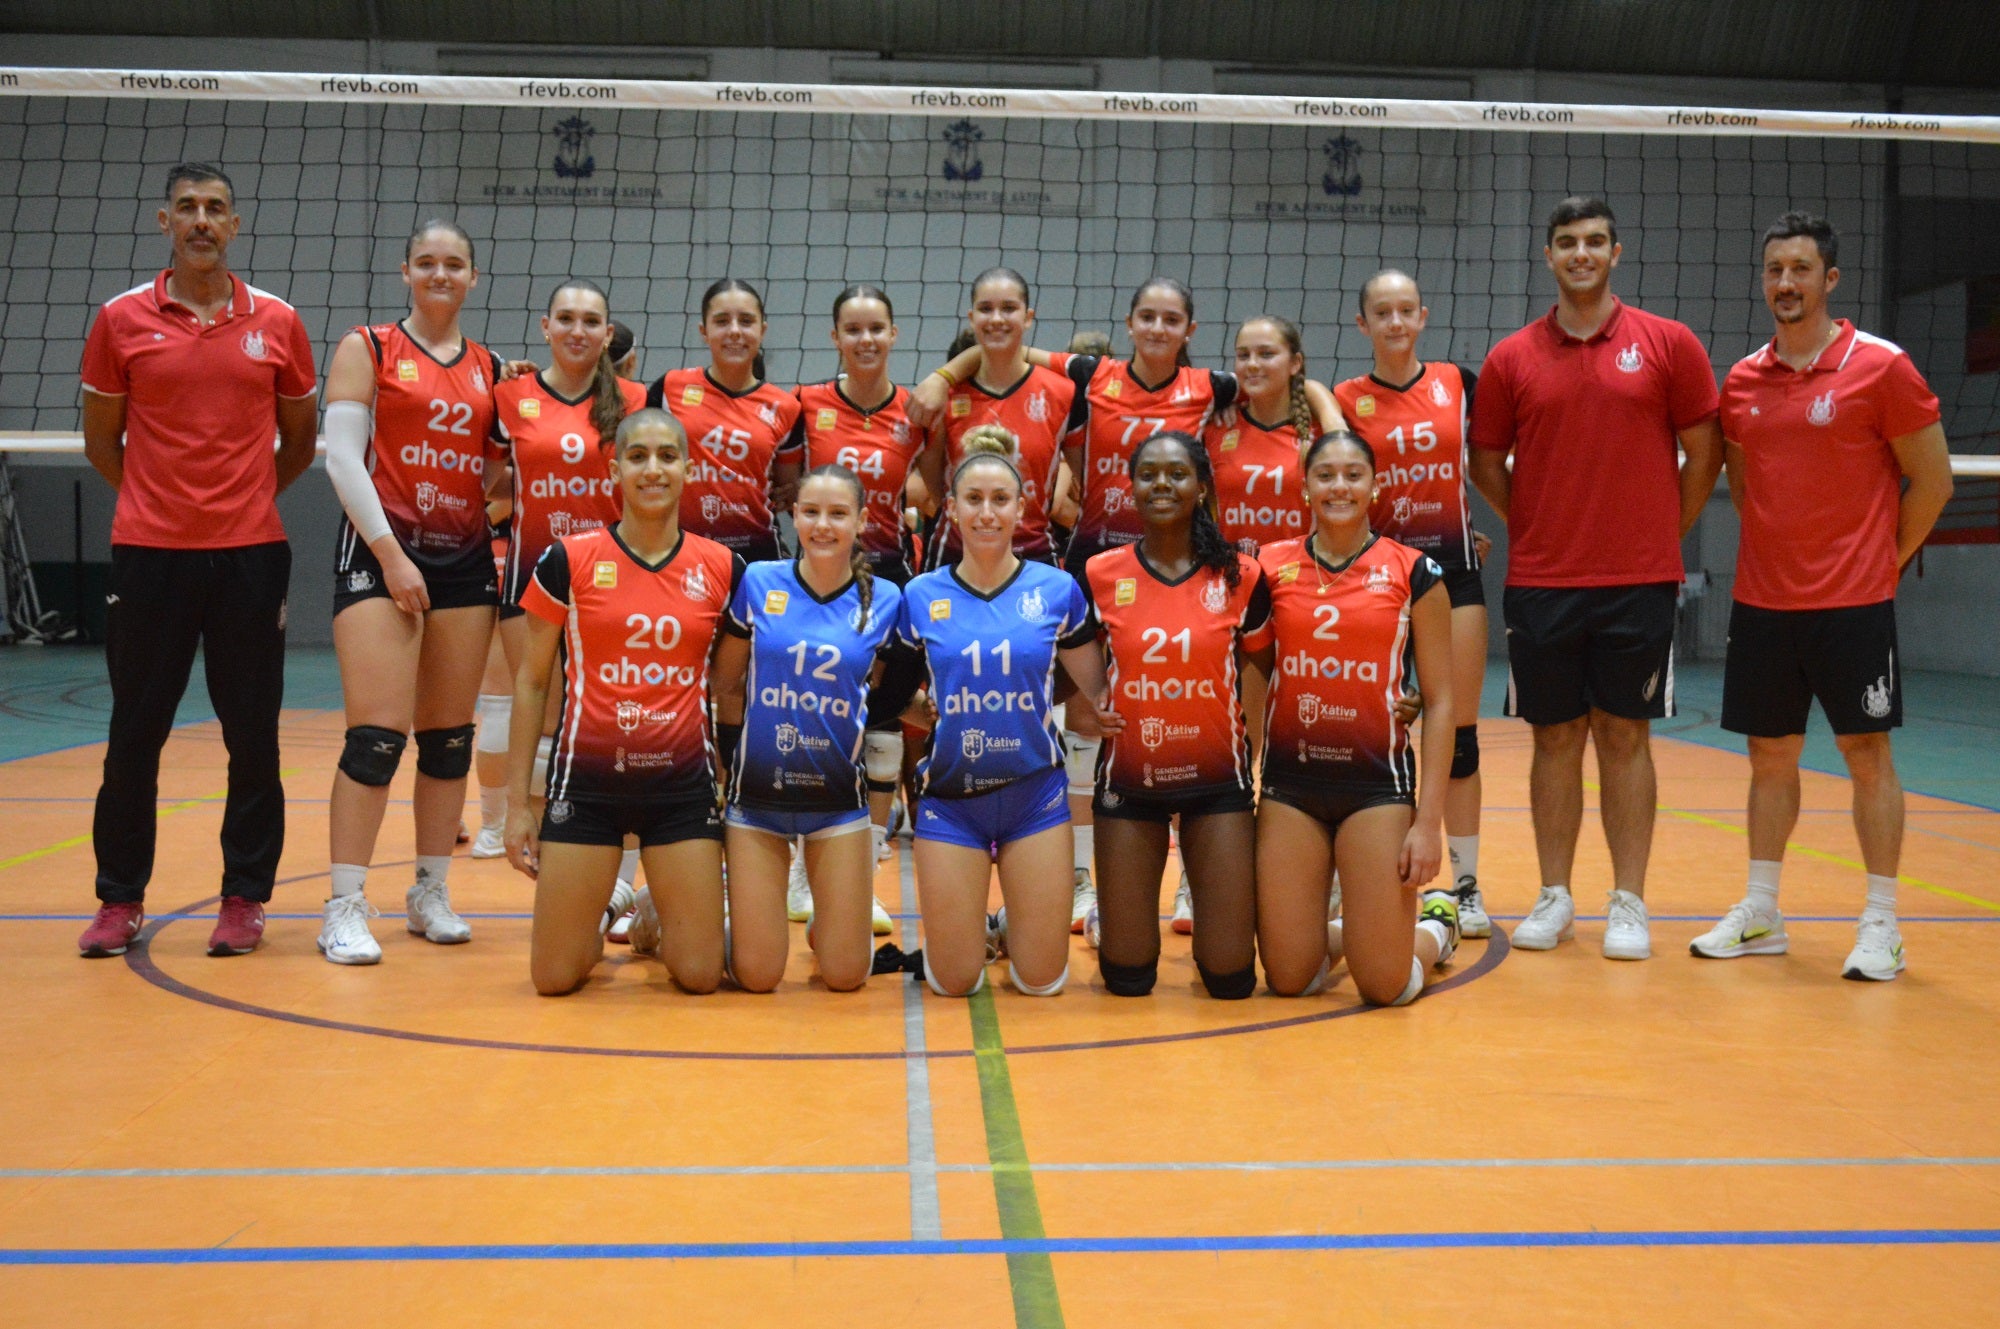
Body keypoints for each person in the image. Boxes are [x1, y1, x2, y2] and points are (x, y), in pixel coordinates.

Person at [916, 278, 1239, 937]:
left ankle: (1150, 874)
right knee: (1068, 712)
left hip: (1135, 557)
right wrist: (945, 370)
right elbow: (1002, 348)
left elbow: (1275, 390)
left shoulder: (1210, 387)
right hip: (1090, 559)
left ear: (1190, 329)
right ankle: (1039, 874)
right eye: (1144, 315)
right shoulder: (1092, 376)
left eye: (1169, 317)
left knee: (1152, 707)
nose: (1155, 326)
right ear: (1126, 321)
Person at [1692, 211, 1953, 981]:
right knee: (1767, 756)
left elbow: (1932, 482)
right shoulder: (1742, 380)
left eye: (1801, 269)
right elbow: (1743, 486)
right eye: (1775, 269)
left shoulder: (1882, 367)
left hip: (1853, 605)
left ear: (1830, 279)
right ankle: (1763, 912)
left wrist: (1882, 562)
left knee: (1866, 754)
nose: (1786, 283)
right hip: (1765, 605)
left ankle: (1882, 923)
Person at [1468, 196, 1723, 961]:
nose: (1581, 253)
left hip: (1638, 581)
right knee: (1554, 738)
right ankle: (1554, 895)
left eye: (1594, 242)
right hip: (1545, 581)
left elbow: (1704, 453)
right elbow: (1486, 463)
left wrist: (1657, 534)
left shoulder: (1669, 344)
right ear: (1548, 256)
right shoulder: (1512, 357)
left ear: (1617, 252)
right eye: (1567, 243)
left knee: (1625, 735)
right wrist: (1540, 526)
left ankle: (1629, 901)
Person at [76, 162, 318, 959]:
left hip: (250, 555)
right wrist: (164, 501)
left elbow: (301, 441)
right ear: (164, 222)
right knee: (133, 734)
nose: (202, 220)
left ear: (236, 224)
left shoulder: (277, 321)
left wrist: (239, 500)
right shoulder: (119, 319)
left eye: (215, 208)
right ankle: (119, 899)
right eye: (187, 208)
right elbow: (101, 443)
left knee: (252, 736)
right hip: (150, 554)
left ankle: (244, 896)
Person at [313, 220, 502, 965]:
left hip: (462, 561)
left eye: (455, 263)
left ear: (473, 277)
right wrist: (392, 555)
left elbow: (494, 472)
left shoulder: (489, 367)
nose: (440, 273)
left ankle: (429, 891)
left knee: (449, 736)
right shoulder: (370, 346)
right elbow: (341, 459)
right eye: (427, 262)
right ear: (406, 272)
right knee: (376, 736)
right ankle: (344, 904)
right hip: (378, 554)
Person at [505, 408, 741, 996]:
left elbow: (732, 688)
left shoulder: (723, 567)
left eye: (667, 456)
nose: (653, 469)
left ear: (688, 468)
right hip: (587, 787)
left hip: (680, 790)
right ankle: (606, 906)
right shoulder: (569, 559)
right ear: (614, 471)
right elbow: (532, 682)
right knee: (554, 979)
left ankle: (656, 902)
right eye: (637, 457)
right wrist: (516, 805)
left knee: (700, 976)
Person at [893, 436, 1114, 998]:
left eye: (999, 500)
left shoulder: (1057, 590)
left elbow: (1098, 688)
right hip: (949, 801)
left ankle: (1011, 923)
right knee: (954, 982)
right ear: (952, 508)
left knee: (1042, 982)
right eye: (973, 499)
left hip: (1033, 798)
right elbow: (886, 694)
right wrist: (932, 714)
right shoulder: (919, 595)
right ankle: (976, 932)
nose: (986, 513)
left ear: (1021, 509)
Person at [1249, 431, 1459, 1005]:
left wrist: (1427, 822)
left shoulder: (1414, 572)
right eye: (1325, 475)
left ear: (1375, 485)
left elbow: (1441, 702)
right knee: (1290, 980)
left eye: (1353, 474)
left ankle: (1435, 930)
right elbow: (1252, 674)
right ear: (1305, 487)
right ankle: (1350, 932)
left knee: (1385, 988)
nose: (1339, 486)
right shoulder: (1268, 566)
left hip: (1376, 789)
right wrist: (1245, 777)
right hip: (1292, 787)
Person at [1081, 431, 1270, 999]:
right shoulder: (1099, 573)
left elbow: (1260, 670)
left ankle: (1199, 907)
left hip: (1216, 782)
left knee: (1230, 977)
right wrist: (1091, 712)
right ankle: (1108, 922)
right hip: (1129, 782)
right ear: (1132, 488)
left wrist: (1246, 752)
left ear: (1202, 487)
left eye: (1177, 473)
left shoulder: (1241, 576)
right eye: (1148, 474)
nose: (1162, 484)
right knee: (1129, 976)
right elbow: (1078, 680)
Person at [1337, 270, 1494, 938]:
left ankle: (1464, 882)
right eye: (1382, 312)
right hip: (1374, 579)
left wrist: (1468, 521)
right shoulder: (1343, 400)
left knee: (1455, 730)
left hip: (1451, 572)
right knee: (1366, 727)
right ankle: (1358, 873)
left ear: (1422, 315)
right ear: (1363, 324)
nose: (1396, 322)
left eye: (1407, 310)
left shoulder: (1460, 383)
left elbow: (1487, 466)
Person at [711, 465, 908, 992]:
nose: (823, 525)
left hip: (838, 799)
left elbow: (888, 695)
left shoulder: (886, 600)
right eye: (812, 512)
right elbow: (725, 685)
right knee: (757, 976)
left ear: (862, 521)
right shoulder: (758, 581)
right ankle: (688, 918)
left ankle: (833, 924)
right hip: (757, 798)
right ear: (793, 515)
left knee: (847, 975)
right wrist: (729, 761)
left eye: (838, 513)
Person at [1189, 314, 1344, 933]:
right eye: (1243, 355)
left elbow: (1346, 456)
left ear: (1295, 362)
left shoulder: (1316, 434)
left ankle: (1322, 878)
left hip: (1304, 598)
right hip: (1231, 602)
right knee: (1230, 746)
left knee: (1308, 740)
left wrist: (1319, 396)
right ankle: (1197, 880)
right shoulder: (1215, 426)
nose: (1252, 365)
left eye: (1267, 354)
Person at [792, 285, 932, 906]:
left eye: (877, 328)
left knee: (883, 717)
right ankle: (803, 862)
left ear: (894, 334)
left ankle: (868, 862)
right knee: (816, 714)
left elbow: (932, 487)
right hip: (820, 579)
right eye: (852, 329)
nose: (865, 339)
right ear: (835, 337)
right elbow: (780, 485)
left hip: (890, 579)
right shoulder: (806, 404)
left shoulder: (920, 410)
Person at [904, 267, 1086, 571]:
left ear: (1027, 317)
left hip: (1032, 552)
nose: (997, 319)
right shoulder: (943, 396)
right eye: (986, 309)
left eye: (1009, 308)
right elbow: (936, 488)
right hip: (956, 554)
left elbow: (1084, 479)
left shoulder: (1062, 394)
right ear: (972, 317)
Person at [646, 278, 803, 563]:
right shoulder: (670, 388)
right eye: (721, 321)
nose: (734, 331)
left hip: (758, 555)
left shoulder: (786, 407)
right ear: (704, 332)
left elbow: (787, 490)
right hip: (682, 551)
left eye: (746, 321)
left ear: (762, 330)